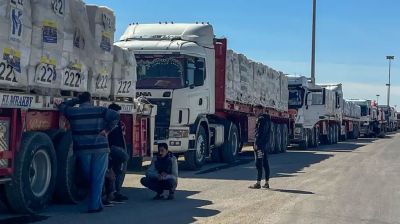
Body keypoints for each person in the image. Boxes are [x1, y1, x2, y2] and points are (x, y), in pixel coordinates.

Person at [57, 92, 119, 213]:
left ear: (80, 100)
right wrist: (107, 130)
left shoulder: (72, 112)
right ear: (90, 100)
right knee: (97, 177)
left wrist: (75, 100)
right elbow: (116, 115)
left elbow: (62, 105)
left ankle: (97, 204)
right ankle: (95, 205)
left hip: (83, 149)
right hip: (100, 148)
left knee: (90, 177)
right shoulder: (100, 110)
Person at [104, 103, 129, 204]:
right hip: (113, 149)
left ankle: (114, 192)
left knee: (116, 171)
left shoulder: (116, 122)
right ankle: (111, 193)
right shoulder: (110, 122)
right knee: (113, 171)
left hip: (115, 149)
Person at [249, 114, 271, 189]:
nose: (254, 112)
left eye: (256, 110)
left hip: (260, 146)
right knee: (265, 163)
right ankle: (267, 183)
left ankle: (258, 183)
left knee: (258, 163)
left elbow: (259, 133)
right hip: (265, 145)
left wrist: (256, 143)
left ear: (260, 110)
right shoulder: (268, 120)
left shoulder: (260, 120)